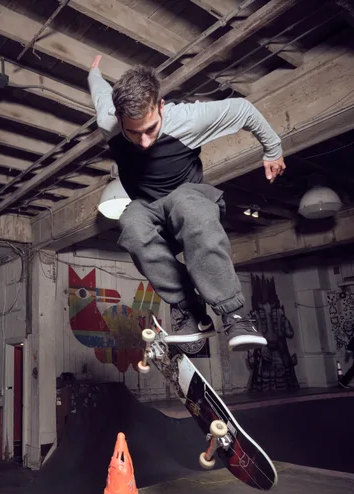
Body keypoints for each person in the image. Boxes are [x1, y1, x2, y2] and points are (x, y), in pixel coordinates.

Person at [88, 56, 286, 351]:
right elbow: (99, 92)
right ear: (118, 117)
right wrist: (93, 71)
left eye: (151, 129)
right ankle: (191, 312)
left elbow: (243, 110)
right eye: (134, 132)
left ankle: (233, 314)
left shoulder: (187, 119)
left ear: (161, 107)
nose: (144, 141)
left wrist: (273, 150)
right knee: (130, 223)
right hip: (149, 208)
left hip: (192, 199)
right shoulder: (108, 120)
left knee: (184, 203)